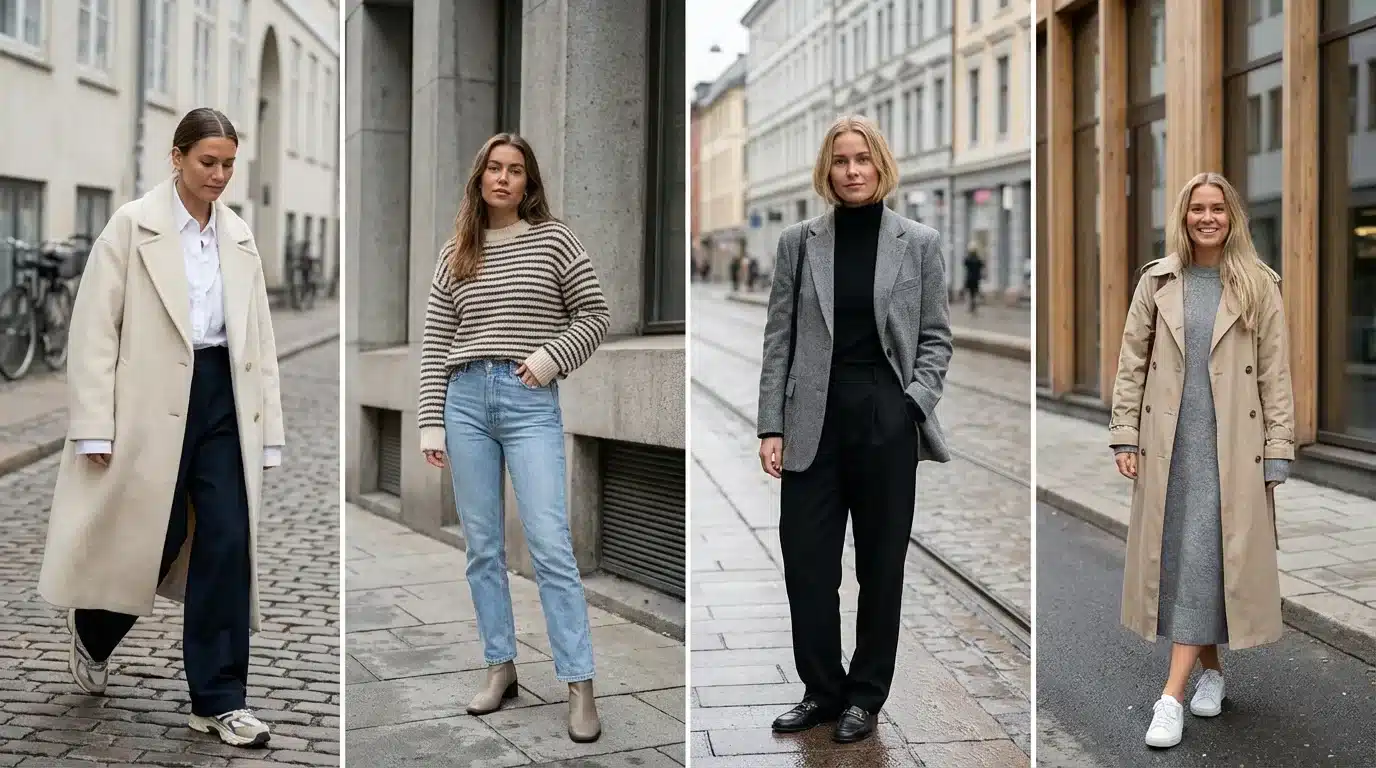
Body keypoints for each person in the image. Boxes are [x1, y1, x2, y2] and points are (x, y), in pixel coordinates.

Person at [38, 107, 285, 748]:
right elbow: (93, 330)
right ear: (176, 157)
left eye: (229, 164)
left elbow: (257, 337)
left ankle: (220, 697)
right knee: (156, 533)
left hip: (224, 401)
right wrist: (94, 425)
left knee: (227, 543)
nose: (220, 175)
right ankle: (92, 631)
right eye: (208, 161)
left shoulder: (238, 236)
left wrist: (271, 428)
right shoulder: (131, 226)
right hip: (147, 405)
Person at [755, 115, 954, 744]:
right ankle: (821, 689)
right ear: (827, 170)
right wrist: (770, 425)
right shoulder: (798, 242)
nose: (852, 171)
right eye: (841, 161)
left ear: (881, 165)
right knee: (807, 563)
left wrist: (912, 403)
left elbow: (936, 337)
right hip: (812, 420)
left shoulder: (917, 242)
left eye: (862, 159)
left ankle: (866, 695)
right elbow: (778, 340)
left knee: (880, 567)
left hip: (884, 417)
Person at [418, 133, 611, 743]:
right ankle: (500, 667)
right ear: (479, 178)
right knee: (481, 547)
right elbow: (434, 345)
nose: (504, 179)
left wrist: (551, 357)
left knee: (551, 544)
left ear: (529, 183)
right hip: (465, 400)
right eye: (495, 169)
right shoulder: (457, 252)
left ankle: (579, 683)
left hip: (529, 401)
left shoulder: (554, 240)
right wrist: (430, 419)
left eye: (516, 170)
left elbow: (595, 315)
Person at [1109, 172, 1294, 749]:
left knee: (1207, 557)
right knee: (1190, 558)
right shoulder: (1157, 282)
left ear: (1232, 216)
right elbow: (1131, 362)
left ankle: (1170, 696)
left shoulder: (1259, 285)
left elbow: (1274, 373)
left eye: (1217, 208)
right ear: (1183, 217)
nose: (1207, 217)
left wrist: (1280, 447)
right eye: (1197, 209)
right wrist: (1124, 435)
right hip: (1170, 444)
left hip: (1234, 448)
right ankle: (1209, 670)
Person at [963, 248, 984, 314]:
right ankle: (973, 305)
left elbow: (965, 262)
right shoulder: (978, 259)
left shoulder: (969, 259)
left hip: (970, 279)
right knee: (975, 293)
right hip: (976, 279)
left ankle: (972, 305)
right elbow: (982, 265)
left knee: (970, 293)